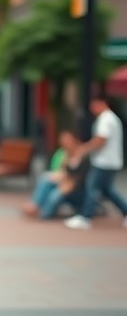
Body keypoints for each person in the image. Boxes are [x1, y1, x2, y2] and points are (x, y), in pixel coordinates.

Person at [64, 96, 127, 229]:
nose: (92, 108)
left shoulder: (106, 119)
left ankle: (85, 217)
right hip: (110, 161)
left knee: (92, 187)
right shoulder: (111, 118)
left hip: (105, 161)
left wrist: (84, 149)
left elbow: (101, 139)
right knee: (107, 190)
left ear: (102, 103)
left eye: (94, 104)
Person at [22, 131, 88, 219]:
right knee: (46, 179)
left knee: (56, 193)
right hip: (65, 182)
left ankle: (44, 212)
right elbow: (61, 170)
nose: (65, 143)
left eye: (68, 140)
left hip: (77, 188)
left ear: (75, 141)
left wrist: (65, 179)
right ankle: (35, 205)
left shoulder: (82, 155)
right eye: (63, 140)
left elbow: (79, 176)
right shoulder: (63, 153)